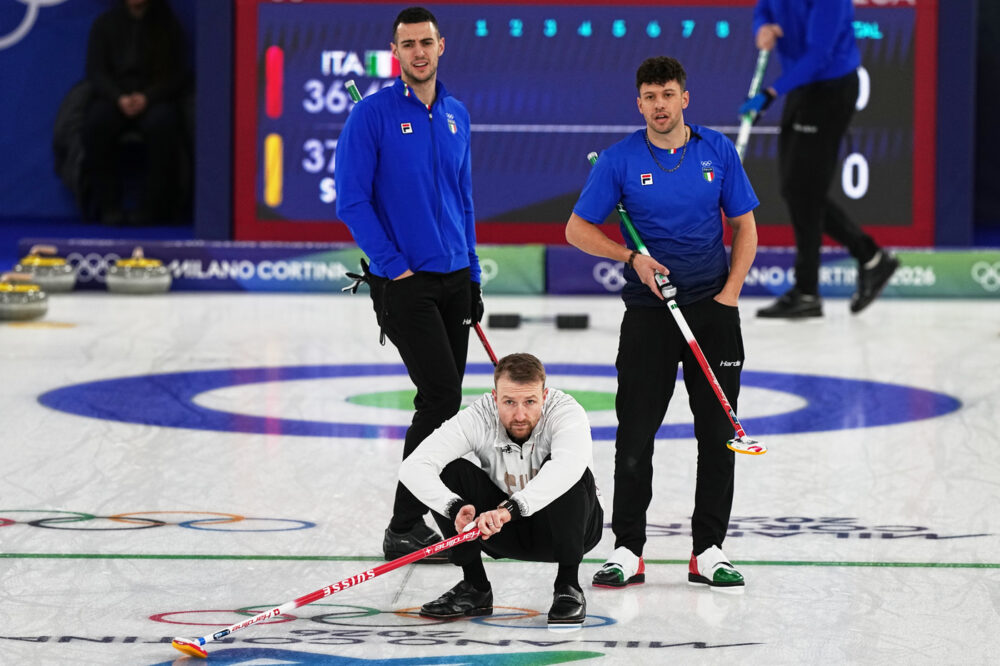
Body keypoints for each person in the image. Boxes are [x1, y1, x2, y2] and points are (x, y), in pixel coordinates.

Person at [565, 56, 757, 592]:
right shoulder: (621, 160)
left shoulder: (716, 151)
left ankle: (709, 551)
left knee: (718, 435)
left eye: (668, 94)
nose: (660, 105)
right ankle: (628, 549)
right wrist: (631, 259)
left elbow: (744, 226)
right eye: (650, 97)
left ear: (685, 98)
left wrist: (729, 297)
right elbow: (577, 229)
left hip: (712, 312)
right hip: (650, 315)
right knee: (635, 434)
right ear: (639, 103)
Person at [335, 7, 483, 563]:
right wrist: (393, 267)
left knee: (442, 404)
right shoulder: (370, 116)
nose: (418, 52)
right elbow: (351, 200)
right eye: (407, 44)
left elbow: (463, 201)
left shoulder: (456, 115)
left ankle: (412, 520)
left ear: (441, 46)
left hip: (453, 280)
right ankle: (404, 524)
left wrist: (471, 272)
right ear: (394, 52)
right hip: (405, 284)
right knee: (442, 396)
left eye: (426, 42)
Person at [398, 353, 603, 626]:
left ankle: (568, 586)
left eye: (530, 401)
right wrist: (455, 508)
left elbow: (567, 466)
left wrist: (510, 510)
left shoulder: (566, 411)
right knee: (450, 471)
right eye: (509, 402)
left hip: (570, 533)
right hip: (498, 528)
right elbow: (413, 466)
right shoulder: (480, 415)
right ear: (495, 398)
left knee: (572, 474)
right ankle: (475, 587)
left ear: (544, 395)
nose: (520, 414)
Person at [740, 0, 899, 318]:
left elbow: (819, 54)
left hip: (830, 87)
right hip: (801, 83)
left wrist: (771, 94)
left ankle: (811, 288)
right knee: (795, 188)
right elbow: (764, 9)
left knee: (804, 190)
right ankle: (867, 260)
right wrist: (763, 29)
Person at [83, 0, 189, 225]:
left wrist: (148, 97)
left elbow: (177, 74)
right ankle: (108, 206)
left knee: (164, 123)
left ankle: (152, 208)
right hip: (114, 98)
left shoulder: (168, 25)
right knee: (96, 122)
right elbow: (96, 72)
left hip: (155, 99)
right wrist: (118, 97)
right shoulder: (105, 24)